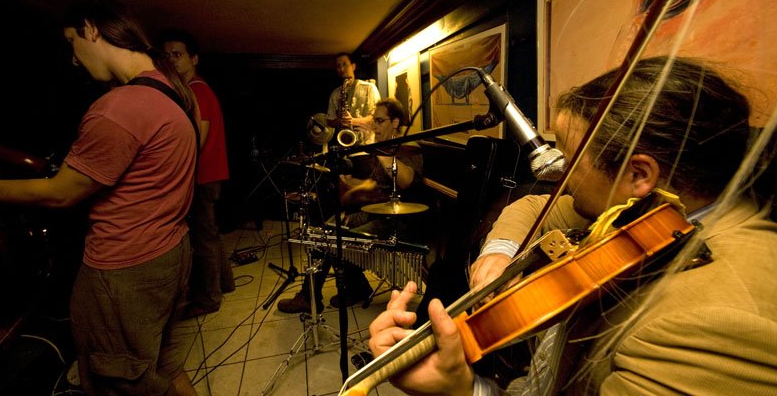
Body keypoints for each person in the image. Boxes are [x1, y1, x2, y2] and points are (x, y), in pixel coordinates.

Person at [367, 56, 777, 395]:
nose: (557, 171)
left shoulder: (709, 326)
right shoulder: (651, 209)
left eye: (571, 157)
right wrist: (499, 252)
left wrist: (463, 390)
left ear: (638, 175)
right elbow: (535, 206)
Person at [0, 0, 199, 394]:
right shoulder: (173, 89)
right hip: (172, 251)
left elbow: (59, 195)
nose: (74, 60)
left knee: (121, 382)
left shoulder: (119, 106)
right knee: (165, 366)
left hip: (125, 266)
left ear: (92, 29)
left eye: (72, 43)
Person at [277, 98, 426, 313]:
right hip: (378, 213)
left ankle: (326, 294)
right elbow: (376, 184)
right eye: (374, 121)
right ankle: (340, 290)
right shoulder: (383, 146)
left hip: (399, 221)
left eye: (379, 121)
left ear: (395, 122)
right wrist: (351, 187)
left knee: (338, 240)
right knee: (327, 231)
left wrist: (378, 150)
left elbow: (406, 181)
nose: (374, 126)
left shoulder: (409, 147)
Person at [160, 29, 234, 318]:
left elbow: (195, 139)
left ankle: (207, 299)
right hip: (210, 174)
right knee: (210, 234)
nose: (171, 60)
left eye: (177, 54)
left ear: (194, 58)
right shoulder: (194, 89)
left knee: (202, 239)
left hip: (202, 176)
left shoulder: (195, 90)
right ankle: (224, 284)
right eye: (166, 55)